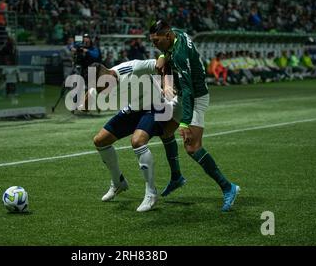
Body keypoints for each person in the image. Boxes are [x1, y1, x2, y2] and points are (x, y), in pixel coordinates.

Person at [150, 19, 239, 212]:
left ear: (167, 36)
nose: (154, 45)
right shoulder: (176, 32)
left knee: (192, 148)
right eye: (152, 41)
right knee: (165, 132)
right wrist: (164, 55)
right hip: (184, 95)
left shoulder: (181, 55)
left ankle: (228, 187)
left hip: (195, 98)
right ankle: (176, 177)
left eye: (157, 41)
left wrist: (184, 122)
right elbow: (170, 47)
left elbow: (188, 90)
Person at [89, 59, 186, 212]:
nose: (102, 92)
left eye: (102, 88)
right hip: (134, 109)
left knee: (138, 141)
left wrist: (166, 84)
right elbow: (90, 95)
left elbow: (162, 62)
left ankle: (151, 193)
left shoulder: (133, 68)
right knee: (100, 141)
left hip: (156, 106)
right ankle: (118, 182)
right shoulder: (100, 84)